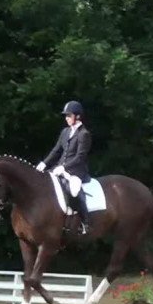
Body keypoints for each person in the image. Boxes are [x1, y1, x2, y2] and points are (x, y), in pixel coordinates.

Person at [36, 100, 92, 235]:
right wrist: (44, 163)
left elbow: (80, 157)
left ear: (77, 116)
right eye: (66, 116)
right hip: (59, 168)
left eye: (69, 115)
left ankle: (85, 222)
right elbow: (56, 151)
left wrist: (64, 167)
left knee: (73, 190)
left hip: (76, 171)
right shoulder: (65, 132)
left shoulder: (84, 134)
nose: (66, 118)